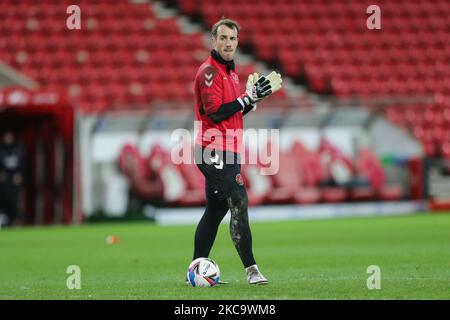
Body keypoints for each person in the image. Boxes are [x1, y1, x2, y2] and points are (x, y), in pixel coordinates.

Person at [189, 18, 282, 285]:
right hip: (212, 151)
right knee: (239, 202)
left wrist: (254, 101)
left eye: (232, 39)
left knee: (215, 211)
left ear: (237, 42)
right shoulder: (209, 72)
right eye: (223, 38)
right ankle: (252, 270)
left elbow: (234, 111)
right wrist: (246, 98)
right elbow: (216, 113)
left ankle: (194, 271)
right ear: (213, 41)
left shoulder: (230, 72)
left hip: (226, 150)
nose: (228, 43)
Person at [0, 130, 26, 227]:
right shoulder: (1, 150)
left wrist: (20, 175)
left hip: (14, 181)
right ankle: (3, 219)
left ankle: (15, 220)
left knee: (14, 201)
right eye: (6, 137)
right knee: (3, 199)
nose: (8, 139)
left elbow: (24, 164)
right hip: (3, 182)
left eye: (10, 137)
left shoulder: (18, 150)